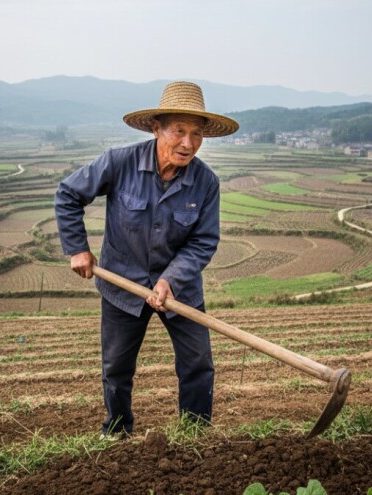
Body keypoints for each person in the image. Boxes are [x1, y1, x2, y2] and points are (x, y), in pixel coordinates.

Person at [54, 81, 239, 437]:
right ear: (156, 128)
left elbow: (203, 241)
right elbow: (68, 194)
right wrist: (77, 247)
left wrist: (171, 279)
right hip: (123, 286)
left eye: (197, 134)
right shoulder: (119, 163)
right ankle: (117, 432)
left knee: (198, 363)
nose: (188, 143)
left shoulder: (206, 183)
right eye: (179, 131)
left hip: (180, 290)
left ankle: (194, 435)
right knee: (117, 367)